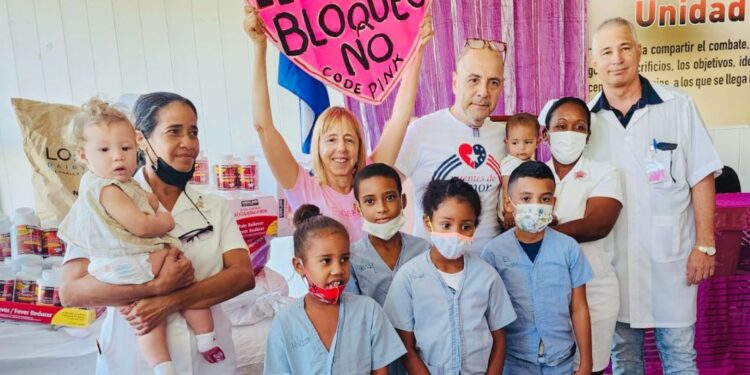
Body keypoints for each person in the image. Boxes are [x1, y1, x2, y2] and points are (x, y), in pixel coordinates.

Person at [59, 92, 255, 375]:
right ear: (141, 139)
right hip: (133, 364)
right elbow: (71, 292)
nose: (188, 143)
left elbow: (242, 276)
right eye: (174, 131)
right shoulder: (99, 200)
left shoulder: (214, 206)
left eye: (193, 132)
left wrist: (170, 301)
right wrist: (154, 289)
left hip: (207, 365)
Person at [587, 18, 723, 374]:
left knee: (679, 357)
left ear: (639, 52)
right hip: (611, 264)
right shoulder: (585, 121)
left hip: (672, 259)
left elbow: (702, 176)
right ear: (594, 62)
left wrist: (705, 244)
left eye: (624, 48)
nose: (616, 59)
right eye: (606, 52)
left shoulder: (677, 105)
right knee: (624, 360)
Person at [243, 5, 434, 242]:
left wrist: (417, 48)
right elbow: (263, 127)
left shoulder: (370, 175)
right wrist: (258, 46)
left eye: (349, 140)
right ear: (318, 147)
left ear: (359, 149)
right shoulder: (302, 187)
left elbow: (400, 119)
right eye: (331, 139)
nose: (341, 148)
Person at [384, 178, 516, 374]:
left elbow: (499, 338)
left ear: (475, 227)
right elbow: (407, 347)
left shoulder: (487, 276)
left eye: (466, 226)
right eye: (446, 225)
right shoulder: (409, 278)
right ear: (427, 222)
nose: (455, 234)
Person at [264, 205, 406, 374]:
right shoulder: (285, 322)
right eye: (326, 261)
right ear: (299, 266)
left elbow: (381, 371)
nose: (338, 269)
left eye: (344, 259)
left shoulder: (369, 311)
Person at [396, 39, 509, 253]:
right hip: (432, 272)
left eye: (493, 82)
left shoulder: (505, 136)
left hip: (488, 273)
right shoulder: (422, 131)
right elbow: (383, 185)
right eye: (474, 80)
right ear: (455, 82)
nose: (483, 91)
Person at [481, 161, 593, 375]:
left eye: (544, 199)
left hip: (561, 361)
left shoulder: (568, 248)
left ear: (554, 202)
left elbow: (579, 308)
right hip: (514, 363)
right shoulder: (494, 253)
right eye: (526, 198)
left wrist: (586, 363)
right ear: (508, 203)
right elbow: (489, 317)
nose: (536, 205)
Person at [543, 97, 623, 374]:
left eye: (579, 127)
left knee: (589, 368)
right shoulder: (529, 174)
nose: (570, 133)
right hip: (542, 290)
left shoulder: (603, 172)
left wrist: (539, 232)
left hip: (594, 290)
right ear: (545, 133)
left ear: (588, 136)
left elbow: (597, 225)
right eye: (561, 126)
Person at [346, 163, 431, 306]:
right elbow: (353, 311)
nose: (382, 209)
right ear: (358, 208)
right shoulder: (352, 258)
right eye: (370, 201)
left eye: (390, 198)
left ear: (402, 201)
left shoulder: (423, 250)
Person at [499, 113, 540, 229]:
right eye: (515, 143)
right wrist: (508, 211)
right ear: (506, 143)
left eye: (527, 142)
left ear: (538, 142)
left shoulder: (532, 162)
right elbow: (506, 187)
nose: (521, 148)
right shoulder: (511, 163)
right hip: (511, 214)